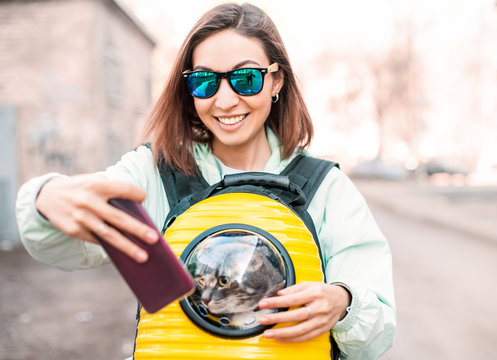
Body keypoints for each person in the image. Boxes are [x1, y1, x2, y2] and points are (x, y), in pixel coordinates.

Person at [16, 3, 395, 359]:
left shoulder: (325, 189)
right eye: (204, 82)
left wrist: (344, 303)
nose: (225, 100)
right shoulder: (155, 173)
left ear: (276, 80)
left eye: (245, 79)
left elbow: (377, 329)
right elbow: (65, 244)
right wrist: (46, 199)